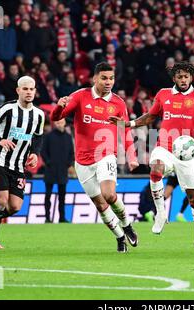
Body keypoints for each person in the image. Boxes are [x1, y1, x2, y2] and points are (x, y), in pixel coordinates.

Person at [110, 61, 194, 254]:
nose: (183, 79)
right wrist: (127, 124)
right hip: (165, 146)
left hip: (187, 154)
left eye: (186, 76)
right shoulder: (164, 94)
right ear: (174, 78)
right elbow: (149, 117)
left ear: (191, 78)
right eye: (179, 76)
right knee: (155, 167)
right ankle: (161, 213)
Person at [50, 62, 139, 253]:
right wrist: (59, 107)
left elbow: (125, 130)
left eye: (111, 78)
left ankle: (127, 225)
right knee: (100, 204)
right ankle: (119, 237)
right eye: (104, 78)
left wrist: (132, 156)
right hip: (82, 160)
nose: (108, 82)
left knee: (109, 195)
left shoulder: (118, 103)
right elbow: (56, 117)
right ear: (95, 79)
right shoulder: (80, 96)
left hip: (106, 155)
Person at [0, 76, 45, 249]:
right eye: (25, 89)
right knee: (1, 202)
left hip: (18, 165)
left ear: (35, 91)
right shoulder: (8, 108)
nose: (29, 92)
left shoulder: (39, 114)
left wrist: (35, 153)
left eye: (31, 89)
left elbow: (38, 136)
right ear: (18, 91)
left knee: (14, 206)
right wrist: (0, 140)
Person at [41, 118, 74, 223]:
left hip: (63, 171)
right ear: (55, 123)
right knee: (48, 195)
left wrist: (68, 164)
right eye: (57, 122)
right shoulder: (48, 136)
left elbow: (71, 153)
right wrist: (48, 162)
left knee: (62, 197)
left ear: (64, 123)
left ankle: (62, 218)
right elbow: (43, 151)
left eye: (61, 122)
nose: (59, 124)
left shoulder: (68, 137)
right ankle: (47, 217)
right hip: (50, 170)